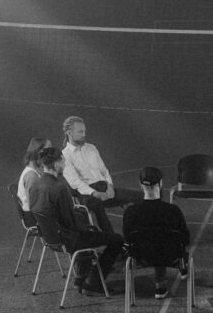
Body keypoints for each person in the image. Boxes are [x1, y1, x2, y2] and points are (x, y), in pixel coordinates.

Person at [29, 147, 125, 296]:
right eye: (62, 160)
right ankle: (93, 282)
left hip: (50, 238)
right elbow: (71, 222)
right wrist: (89, 228)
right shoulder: (59, 188)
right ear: (55, 165)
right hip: (68, 238)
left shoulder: (35, 185)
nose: (65, 162)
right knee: (116, 240)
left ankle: (80, 278)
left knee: (87, 232)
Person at [60, 115, 140, 232]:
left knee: (140, 197)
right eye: (80, 131)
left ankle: (136, 233)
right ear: (69, 133)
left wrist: (110, 186)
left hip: (104, 187)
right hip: (86, 193)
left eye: (84, 131)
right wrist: (94, 193)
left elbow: (104, 170)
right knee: (97, 206)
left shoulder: (91, 148)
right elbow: (75, 182)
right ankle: (112, 240)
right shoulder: (65, 155)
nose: (84, 134)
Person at [122, 166, 191, 300]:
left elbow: (127, 239)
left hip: (141, 256)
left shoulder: (131, 212)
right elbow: (186, 239)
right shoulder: (173, 211)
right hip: (170, 256)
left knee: (152, 243)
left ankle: (158, 286)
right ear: (160, 183)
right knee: (162, 243)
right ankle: (161, 285)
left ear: (140, 185)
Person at [16, 137, 52, 217]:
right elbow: (35, 206)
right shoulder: (31, 176)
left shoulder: (37, 170)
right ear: (39, 152)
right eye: (49, 148)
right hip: (35, 217)